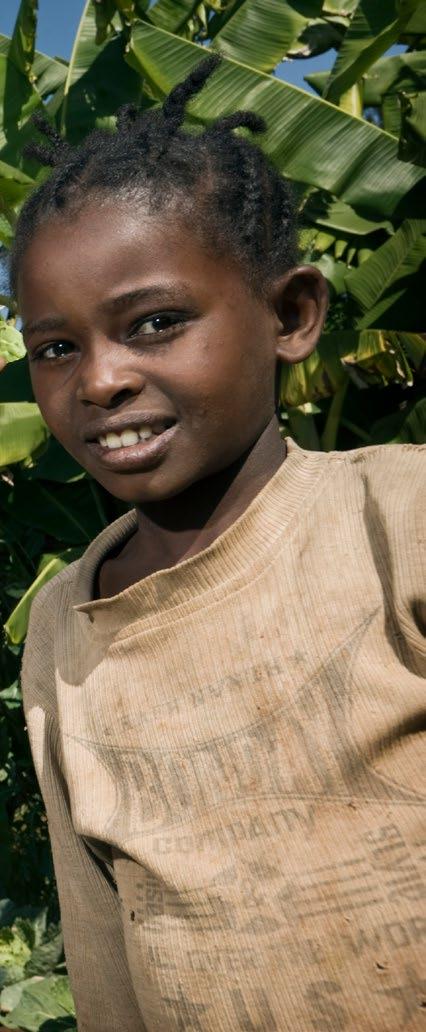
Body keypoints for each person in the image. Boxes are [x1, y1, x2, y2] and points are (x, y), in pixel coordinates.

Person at [14, 54, 424, 1031]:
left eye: (155, 323)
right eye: (55, 348)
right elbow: (104, 935)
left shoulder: (401, 519)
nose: (99, 379)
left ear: (290, 316)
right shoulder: (64, 627)